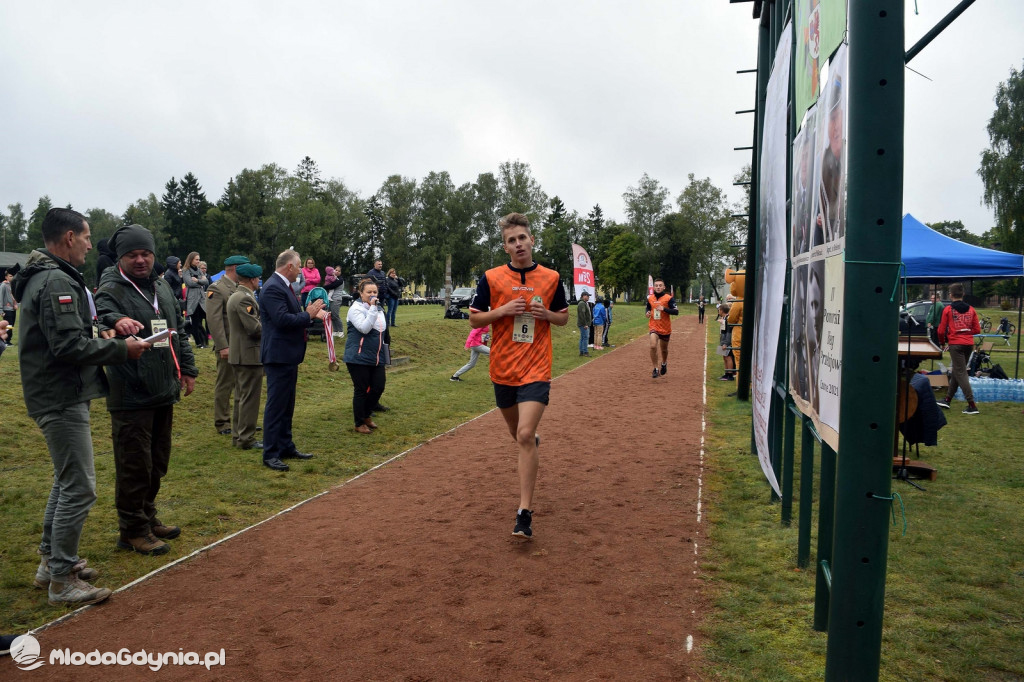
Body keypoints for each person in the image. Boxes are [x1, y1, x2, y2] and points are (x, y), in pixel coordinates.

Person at [13, 208, 148, 604]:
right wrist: (122, 349)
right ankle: (62, 580)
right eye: (87, 237)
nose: (92, 245)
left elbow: (66, 336)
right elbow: (67, 347)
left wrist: (104, 333)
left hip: (57, 391)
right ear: (70, 237)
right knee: (80, 487)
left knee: (65, 480)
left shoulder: (44, 276)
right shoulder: (55, 280)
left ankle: (51, 563)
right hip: (60, 394)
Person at [95, 224, 198, 556]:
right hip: (131, 393)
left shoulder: (162, 286)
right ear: (120, 258)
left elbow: (177, 330)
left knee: (157, 462)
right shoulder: (112, 286)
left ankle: (148, 515)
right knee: (134, 464)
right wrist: (115, 321)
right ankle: (132, 530)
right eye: (132, 255)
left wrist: (189, 369)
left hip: (163, 387)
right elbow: (102, 313)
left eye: (145, 254)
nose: (140, 260)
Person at [468, 212, 569, 539]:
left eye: (522, 238)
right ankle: (530, 442)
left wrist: (547, 314)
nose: (518, 244)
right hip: (503, 368)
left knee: (525, 434)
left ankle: (524, 512)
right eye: (511, 240)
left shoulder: (552, 277)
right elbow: (475, 320)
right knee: (519, 434)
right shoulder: (492, 278)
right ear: (505, 247)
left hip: (536, 366)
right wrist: (503, 311)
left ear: (531, 240)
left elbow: (564, 318)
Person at [260, 249, 327, 471]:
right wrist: (308, 314)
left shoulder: (283, 286)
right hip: (278, 355)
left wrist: (309, 316)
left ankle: (286, 445)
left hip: (288, 354)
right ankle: (270, 453)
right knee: (276, 406)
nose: (301, 272)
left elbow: (292, 318)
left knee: (287, 405)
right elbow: (282, 320)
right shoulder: (272, 288)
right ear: (289, 266)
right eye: (299, 267)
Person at [206, 255, 250, 435]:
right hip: (229, 345)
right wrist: (222, 346)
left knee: (243, 385)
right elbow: (214, 320)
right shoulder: (217, 289)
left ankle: (243, 420)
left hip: (244, 345)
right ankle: (222, 422)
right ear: (234, 268)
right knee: (225, 384)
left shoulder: (241, 288)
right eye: (243, 269)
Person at [227, 263, 265, 449]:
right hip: (248, 355)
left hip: (241, 354)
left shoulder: (239, 295)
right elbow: (254, 328)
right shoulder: (244, 298)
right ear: (252, 279)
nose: (259, 281)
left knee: (241, 398)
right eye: (258, 278)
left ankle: (239, 435)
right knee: (249, 399)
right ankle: (246, 439)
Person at [344, 279, 388, 434]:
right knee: (361, 389)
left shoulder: (378, 308)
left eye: (375, 292)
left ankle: (366, 414)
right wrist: (373, 309)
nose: (372, 295)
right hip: (358, 356)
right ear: (360, 293)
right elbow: (364, 328)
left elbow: (383, 331)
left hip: (376, 356)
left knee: (378, 386)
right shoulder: (356, 309)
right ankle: (359, 422)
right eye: (369, 292)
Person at [937, 282, 981, 415]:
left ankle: (972, 405)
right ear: (963, 294)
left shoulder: (948, 309)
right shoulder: (971, 309)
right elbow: (977, 329)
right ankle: (947, 399)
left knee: (961, 373)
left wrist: (942, 343)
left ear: (950, 295)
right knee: (958, 370)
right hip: (968, 344)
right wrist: (966, 332)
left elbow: (940, 330)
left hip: (956, 344)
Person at [646, 278, 679, 378]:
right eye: (656, 285)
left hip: (665, 328)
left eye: (660, 285)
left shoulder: (669, 298)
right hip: (654, 326)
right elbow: (648, 307)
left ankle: (664, 363)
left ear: (664, 287)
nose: (658, 287)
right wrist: (647, 312)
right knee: (652, 346)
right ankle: (655, 369)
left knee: (664, 350)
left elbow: (676, 312)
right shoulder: (650, 298)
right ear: (654, 287)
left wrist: (664, 309)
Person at [182, 251, 210, 347]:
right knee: (195, 321)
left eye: (199, 259)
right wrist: (200, 281)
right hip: (193, 299)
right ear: (191, 260)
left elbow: (206, 281)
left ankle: (204, 339)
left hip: (201, 299)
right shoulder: (186, 270)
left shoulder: (198, 270)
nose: (198, 261)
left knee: (206, 318)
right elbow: (189, 283)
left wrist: (197, 280)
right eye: (196, 259)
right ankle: (198, 342)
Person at [717, 302, 736, 381]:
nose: (718, 312)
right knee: (724, 357)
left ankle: (730, 375)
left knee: (728, 357)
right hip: (723, 341)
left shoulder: (728, 319)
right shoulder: (724, 319)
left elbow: (729, 332)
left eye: (719, 310)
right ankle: (726, 373)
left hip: (727, 342)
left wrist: (726, 343)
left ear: (721, 310)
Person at [0, 270, 16, 343]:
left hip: (13, 309)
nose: (12, 277)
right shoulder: (3, 285)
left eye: (13, 276)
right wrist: (1, 310)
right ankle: (6, 340)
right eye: (10, 276)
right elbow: (1, 297)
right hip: (7, 309)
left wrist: (15, 304)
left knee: (11, 325)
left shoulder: (13, 285)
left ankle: (8, 340)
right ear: (6, 277)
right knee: (8, 325)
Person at [576, 290, 592, 356]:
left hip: (583, 324)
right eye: (587, 296)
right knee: (585, 337)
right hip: (583, 324)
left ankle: (582, 351)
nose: (588, 297)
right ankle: (585, 351)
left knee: (583, 337)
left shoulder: (583, 303)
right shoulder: (582, 303)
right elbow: (582, 315)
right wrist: (585, 324)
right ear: (584, 296)